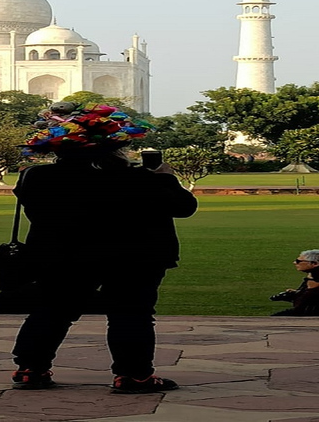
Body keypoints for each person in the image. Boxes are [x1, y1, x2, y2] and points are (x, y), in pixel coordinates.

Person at [10, 102, 198, 394]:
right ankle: (133, 376)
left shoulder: (37, 177)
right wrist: (166, 177)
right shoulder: (140, 178)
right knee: (131, 313)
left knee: (52, 310)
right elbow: (184, 207)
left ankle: (29, 369)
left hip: (60, 256)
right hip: (133, 258)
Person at [270, 250, 319, 316]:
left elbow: (302, 306)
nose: (294, 263)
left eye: (298, 261)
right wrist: (297, 293)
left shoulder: (315, 279)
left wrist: (298, 295)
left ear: (315, 264)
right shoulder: (313, 276)